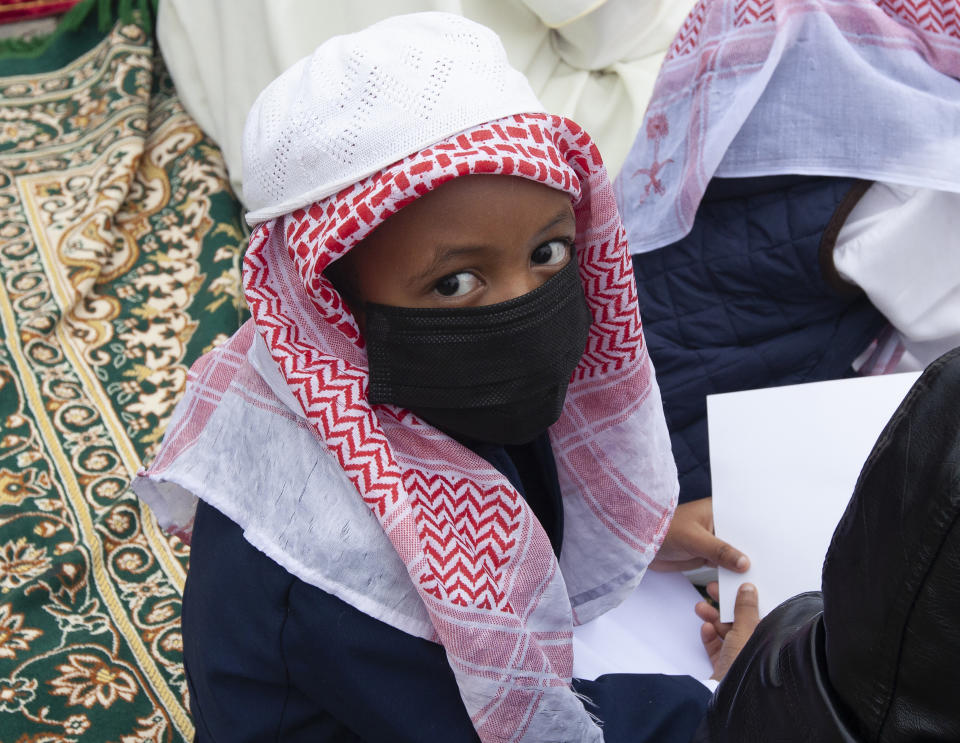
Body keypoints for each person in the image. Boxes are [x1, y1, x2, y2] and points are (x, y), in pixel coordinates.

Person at [133, 12, 759, 742]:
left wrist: (630, 535)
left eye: (550, 253)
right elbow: (518, 726)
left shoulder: (429, 380)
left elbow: (493, 495)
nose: (524, 308)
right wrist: (744, 704)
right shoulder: (333, 565)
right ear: (336, 304)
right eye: (457, 283)